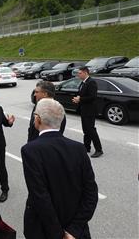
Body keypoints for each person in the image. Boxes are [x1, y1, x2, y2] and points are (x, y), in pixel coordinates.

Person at [21, 98, 98, 239]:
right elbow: (91, 193)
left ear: (37, 119)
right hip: (76, 229)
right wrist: (73, 230)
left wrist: (58, 234)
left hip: (44, 230)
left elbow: (40, 196)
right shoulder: (79, 148)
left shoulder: (30, 150)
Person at [72, 66, 103, 158]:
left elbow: (92, 97)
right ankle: (86, 147)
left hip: (90, 110)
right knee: (86, 130)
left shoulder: (91, 82)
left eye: (80, 73)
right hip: (84, 109)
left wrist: (80, 99)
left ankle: (99, 149)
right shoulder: (83, 82)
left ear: (85, 73)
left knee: (91, 130)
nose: (78, 74)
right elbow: (82, 94)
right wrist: (78, 99)